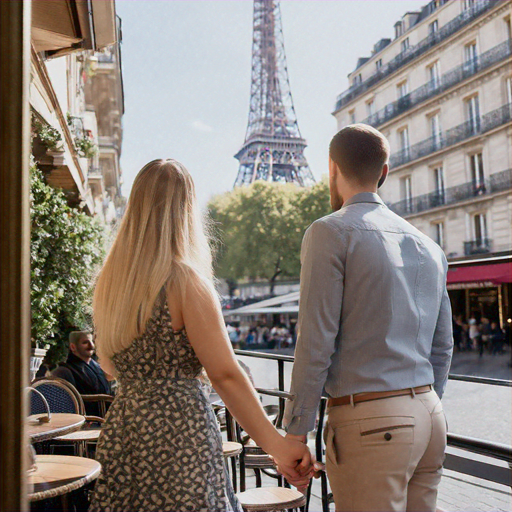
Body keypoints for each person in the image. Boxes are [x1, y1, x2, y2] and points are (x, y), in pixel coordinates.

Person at [89, 159, 312, 512]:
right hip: (181, 436)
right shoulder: (185, 282)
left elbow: (109, 367)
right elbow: (225, 375)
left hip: (125, 430)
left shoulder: (110, 286)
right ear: (186, 212)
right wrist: (278, 448)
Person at [281, 125, 453, 512]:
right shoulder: (429, 245)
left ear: (332, 168)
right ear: (385, 172)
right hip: (429, 414)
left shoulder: (331, 231)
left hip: (373, 424)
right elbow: (443, 345)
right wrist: (421, 407)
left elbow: (316, 340)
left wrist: (296, 432)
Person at [52, 331, 113, 415]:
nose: (91, 346)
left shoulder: (98, 366)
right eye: (85, 343)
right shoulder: (64, 371)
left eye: (92, 342)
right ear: (73, 347)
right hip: (87, 421)